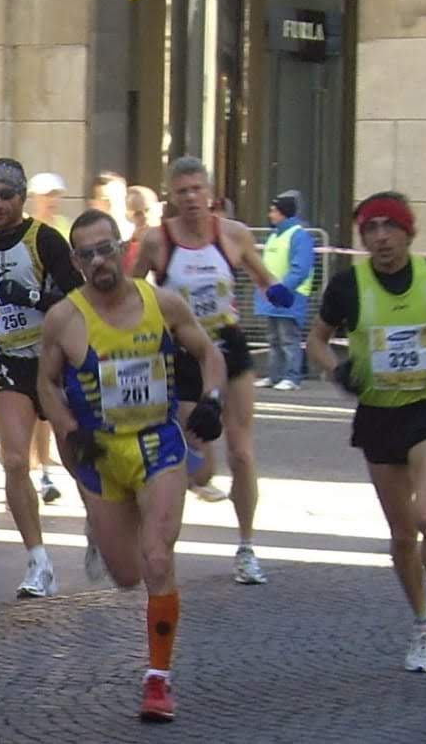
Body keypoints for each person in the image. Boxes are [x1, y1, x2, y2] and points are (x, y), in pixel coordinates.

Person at [38, 209, 227, 722]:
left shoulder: (160, 303)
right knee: (125, 575)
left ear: (122, 250)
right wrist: (66, 427)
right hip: (102, 454)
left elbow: (209, 353)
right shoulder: (66, 318)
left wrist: (211, 400)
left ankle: (158, 680)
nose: (100, 261)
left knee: (157, 560)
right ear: (76, 263)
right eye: (87, 254)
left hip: (158, 445)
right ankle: (102, 528)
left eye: (106, 248)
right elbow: (46, 382)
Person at [306, 191, 426, 674]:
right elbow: (316, 340)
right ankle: (422, 623)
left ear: (408, 232)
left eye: (389, 227)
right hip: (378, 415)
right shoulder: (349, 286)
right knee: (400, 533)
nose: (380, 238)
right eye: (370, 230)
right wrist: (337, 371)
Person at [129, 156, 296, 585]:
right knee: (198, 464)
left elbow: (263, 276)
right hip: (184, 355)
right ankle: (181, 492)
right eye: (181, 191)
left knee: (243, 452)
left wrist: (278, 291)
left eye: (197, 189)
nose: (190, 198)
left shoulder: (233, 235)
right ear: (171, 196)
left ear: (210, 193)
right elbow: (129, 292)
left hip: (228, 345)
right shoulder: (156, 241)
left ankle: (245, 547)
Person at [0, 158, 85, 597]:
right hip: (11, 361)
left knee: (74, 459)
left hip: (53, 361)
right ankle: (38, 561)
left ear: (21, 197)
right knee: (14, 460)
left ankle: (98, 529)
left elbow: (78, 295)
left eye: (5, 196)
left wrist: (32, 295)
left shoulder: (45, 240)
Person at [254, 190, 316, 391]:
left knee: (288, 338)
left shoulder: (298, 235)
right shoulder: (276, 235)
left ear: (283, 213)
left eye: (273, 211)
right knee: (274, 339)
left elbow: (301, 268)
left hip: (289, 296)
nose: (270, 215)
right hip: (273, 296)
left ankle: (292, 376)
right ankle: (275, 376)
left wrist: (282, 289)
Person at [121, 185, 162, 275]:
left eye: (148, 210)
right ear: (128, 216)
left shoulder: (172, 244)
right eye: (138, 213)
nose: (145, 217)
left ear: (159, 209)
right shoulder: (123, 251)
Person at [27, 172, 73, 239]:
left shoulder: (65, 225)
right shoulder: (27, 226)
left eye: (55, 195)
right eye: (46, 195)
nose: (51, 200)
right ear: (34, 197)